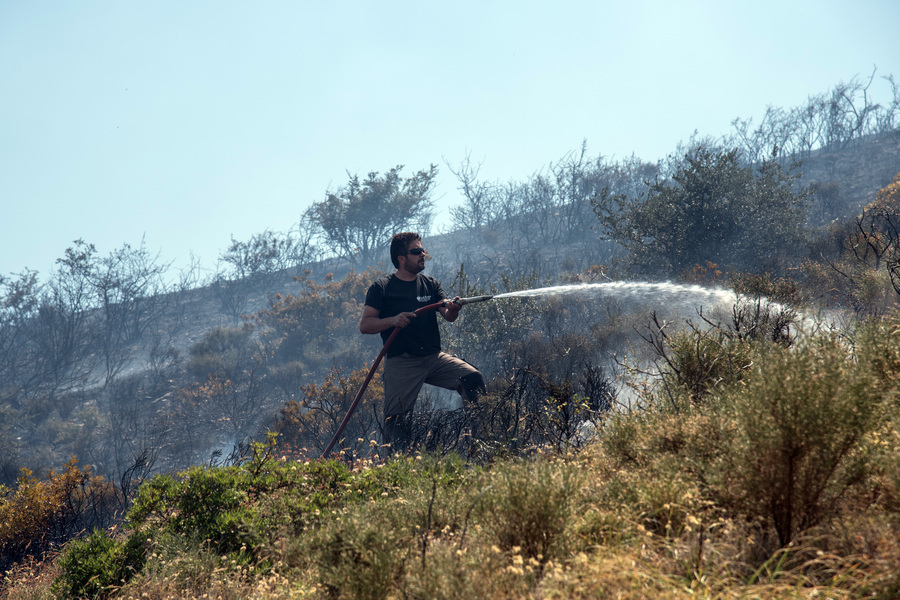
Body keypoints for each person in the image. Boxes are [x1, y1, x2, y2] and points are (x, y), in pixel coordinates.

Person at [359, 232, 485, 452]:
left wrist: (453, 308)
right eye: (416, 251)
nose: (422, 255)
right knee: (396, 423)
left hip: (433, 358)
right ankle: (396, 468)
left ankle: (480, 446)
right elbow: (365, 325)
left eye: (422, 250)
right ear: (401, 258)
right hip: (402, 363)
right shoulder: (382, 288)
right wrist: (393, 320)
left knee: (473, 378)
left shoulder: (430, 284)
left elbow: (448, 315)